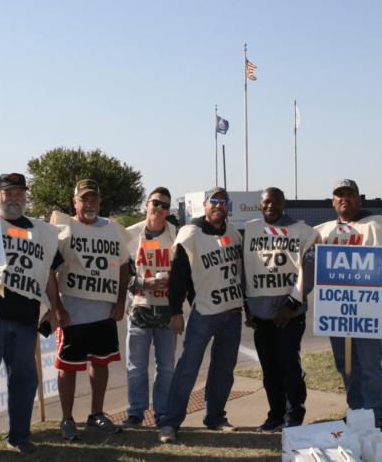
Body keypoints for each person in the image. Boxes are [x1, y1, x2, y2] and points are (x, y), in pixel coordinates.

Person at [0, 173, 68, 462]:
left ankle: (19, 437)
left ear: (25, 196)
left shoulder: (42, 231)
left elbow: (50, 274)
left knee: (25, 382)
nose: (14, 198)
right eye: (8, 193)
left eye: (19, 193)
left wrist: (55, 308)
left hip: (25, 322)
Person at [158, 187, 245, 443]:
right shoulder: (190, 234)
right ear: (205, 205)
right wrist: (176, 312)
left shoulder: (233, 234)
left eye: (223, 202)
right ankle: (170, 423)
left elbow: (242, 273)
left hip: (232, 313)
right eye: (213, 201)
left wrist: (247, 309)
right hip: (204, 313)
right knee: (187, 369)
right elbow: (178, 278)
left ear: (229, 206)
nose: (218, 205)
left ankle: (216, 418)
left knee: (224, 369)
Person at [50, 179, 133, 440]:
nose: (89, 204)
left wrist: (121, 302)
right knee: (69, 367)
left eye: (93, 199)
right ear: (74, 202)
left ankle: (96, 415)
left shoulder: (113, 228)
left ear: (99, 202)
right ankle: (67, 419)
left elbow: (122, 266)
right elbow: (50, 271)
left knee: (101, 363)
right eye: (83, 199)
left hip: (104, 313)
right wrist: (58, 308)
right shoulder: (64, 228)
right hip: (72, 313)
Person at [313, 179, 382, 427]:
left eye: (350, 194)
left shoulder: (377, 226)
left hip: (366, 307)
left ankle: (375, 416)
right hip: (335, 308)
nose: (344, 198)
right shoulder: (323, 231)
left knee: (370, 363)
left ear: (359, 199)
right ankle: (356, 411)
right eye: (339, 195)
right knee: (346, 363)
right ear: (333, 201)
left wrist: (366, 283)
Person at [242, 187, 320, 432]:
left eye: (277, 202)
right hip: (261, 317)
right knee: (269, 369)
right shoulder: (250, 229)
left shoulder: (304, 232)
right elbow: (242, 270)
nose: (271, 206)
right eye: (267, 202)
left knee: (289, 366)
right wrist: (247, 307)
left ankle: (294, 414)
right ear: (259, 205)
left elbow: (309, 273)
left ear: (284, 205)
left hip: (289, 316)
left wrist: (292, 305)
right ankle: (275, 415)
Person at [123, 187, 178, 427]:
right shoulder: (130, 235)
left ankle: (162, 411)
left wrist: (179, 311)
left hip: (167, 312)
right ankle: (136, 412)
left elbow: (184, 276)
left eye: (165, 206)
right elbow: (120, 277)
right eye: (156, 203)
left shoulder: (177, 235)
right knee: (136, 367)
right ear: (147, 204)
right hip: (138, 312)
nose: (159, 208)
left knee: (166, 368)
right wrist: (146, 282)